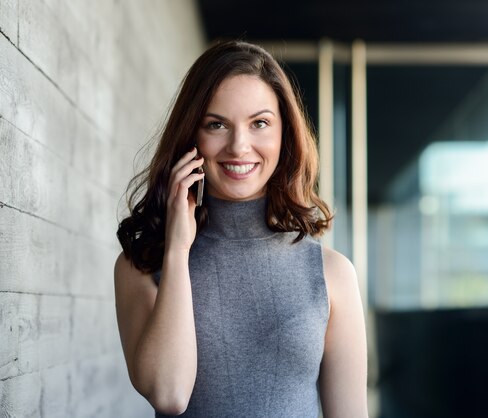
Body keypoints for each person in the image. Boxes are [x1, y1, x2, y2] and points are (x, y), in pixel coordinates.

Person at [114, 40, 368, 417]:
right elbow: (168, 395)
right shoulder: (143, 264)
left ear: (285, 135)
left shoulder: (332, 273)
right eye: (216, 124)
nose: (239, 145)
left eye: (259, 123)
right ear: (191, 136)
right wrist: (178, 250)